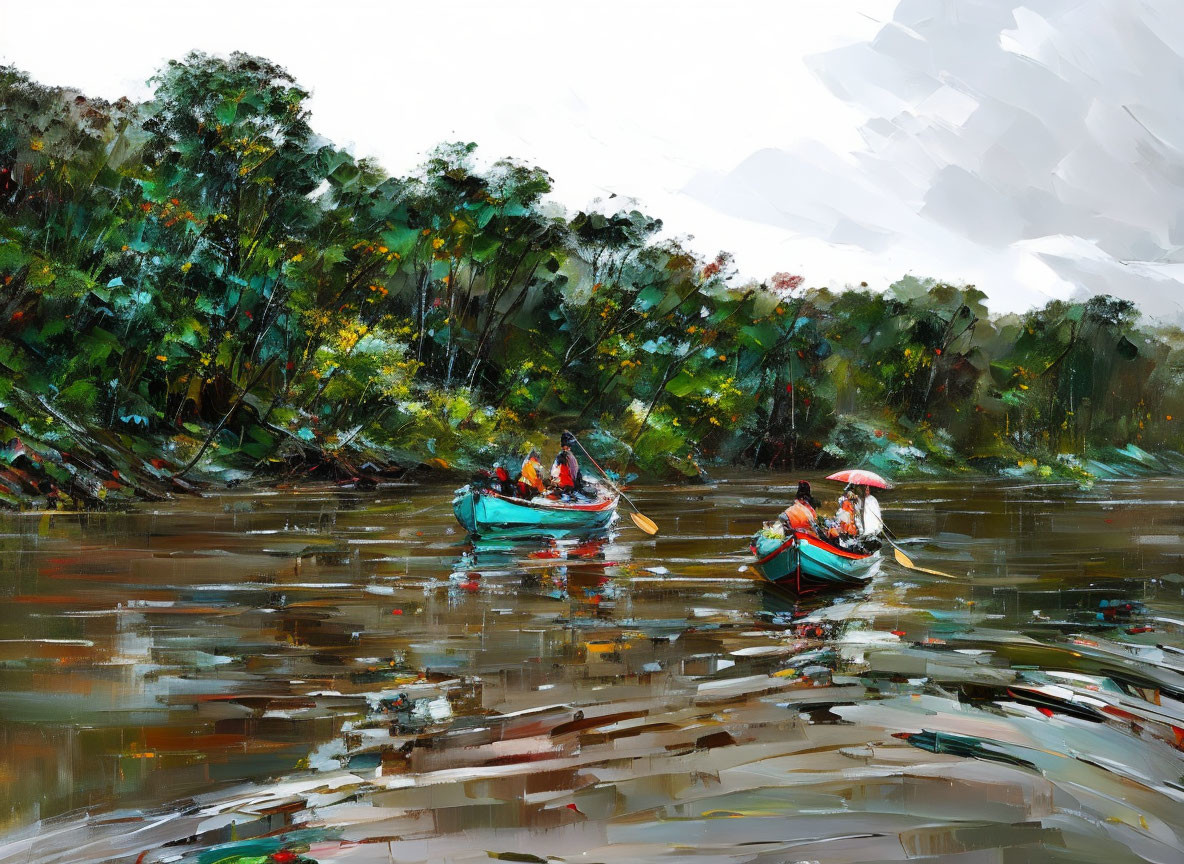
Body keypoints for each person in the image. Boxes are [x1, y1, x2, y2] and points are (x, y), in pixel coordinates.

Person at [551, 430, 585, 496]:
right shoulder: (568, 457)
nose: (569, 448)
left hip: (566, 484)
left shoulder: (564, 456)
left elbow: (554, 473)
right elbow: (574, 474)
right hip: (568, 485)